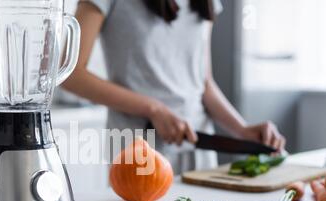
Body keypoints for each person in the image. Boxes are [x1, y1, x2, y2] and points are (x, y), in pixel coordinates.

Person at [62, 0, 286, 173]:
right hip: (138, 152)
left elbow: (203, 82)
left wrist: (242, 131)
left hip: (199, 148)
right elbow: (69, 72)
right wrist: (154, 109)